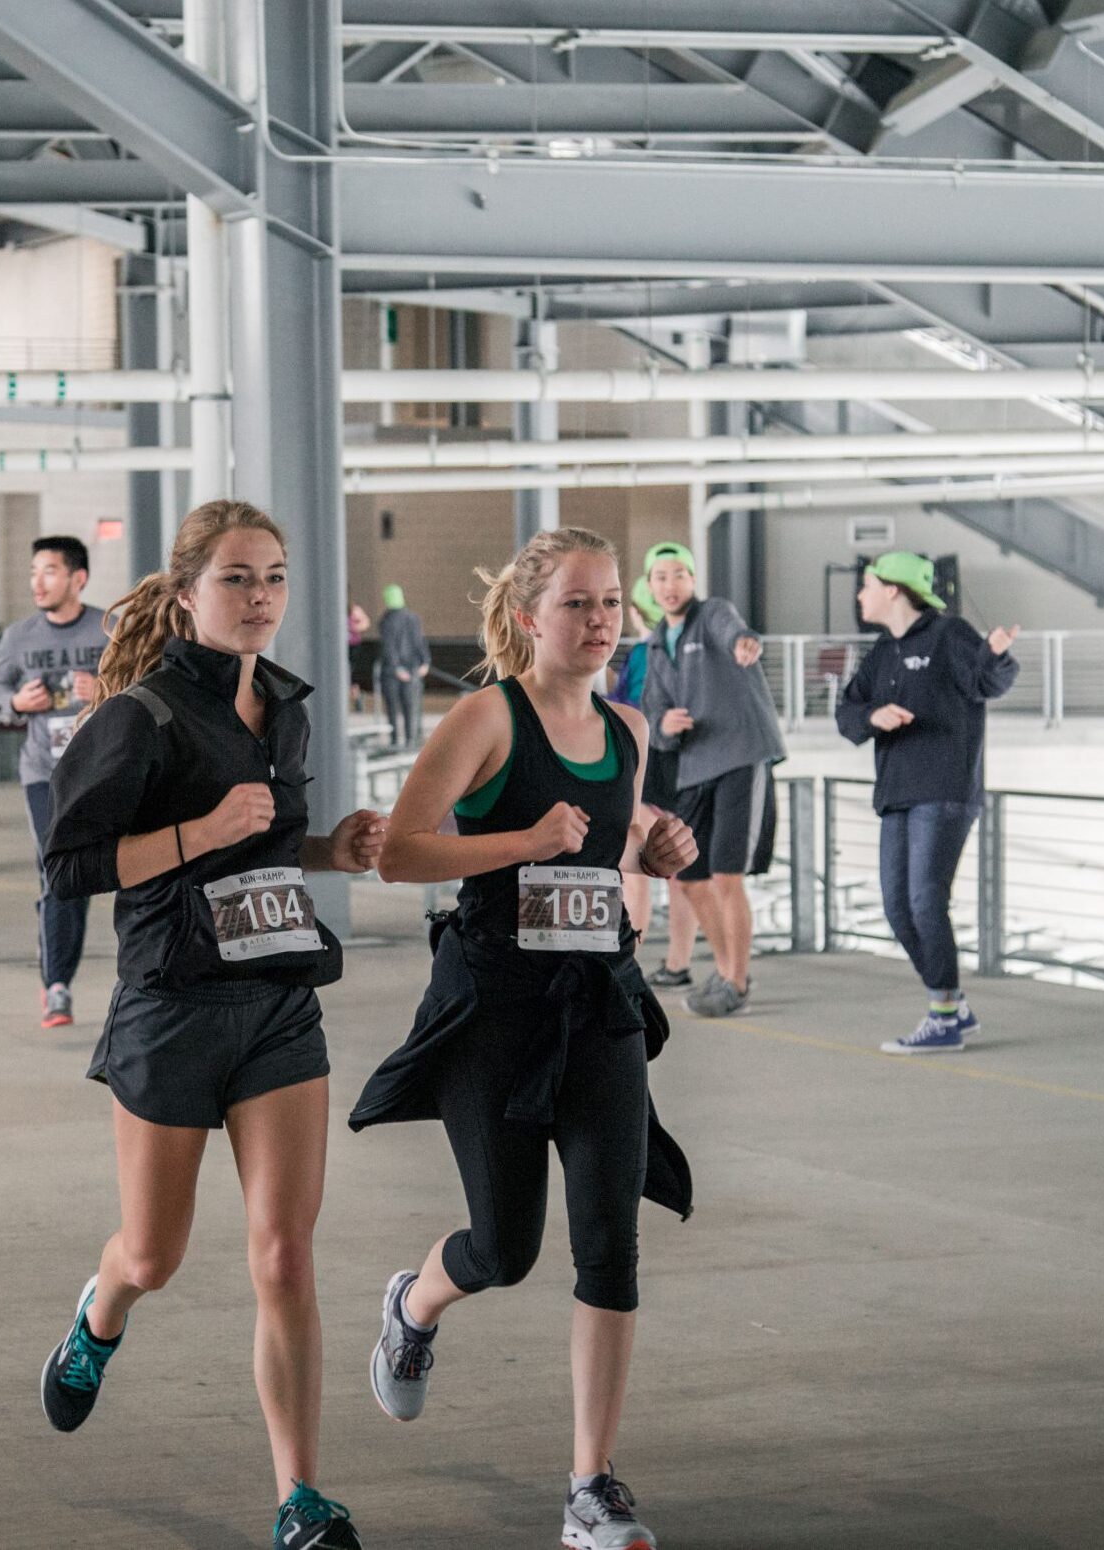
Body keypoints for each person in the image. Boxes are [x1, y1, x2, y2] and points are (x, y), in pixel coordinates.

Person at [37, 499, 387, 1550]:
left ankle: (299, 1496)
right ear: (187, 590)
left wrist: (335, 847)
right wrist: (193, 830)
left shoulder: (284, 705)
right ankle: (101, 1308)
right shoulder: (137, 716)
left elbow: (268, 847)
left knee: (283, 1256)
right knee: (156, 1252)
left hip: (277, 1001)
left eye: (274, 578)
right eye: (237, 578)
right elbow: (68, 866)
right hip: (171, 1005)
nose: (259, 598)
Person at [352, 526, 698, 1550]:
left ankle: (592, 1483)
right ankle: (414, 1305)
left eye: (609, 605)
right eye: (577, 605)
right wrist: (521, 840)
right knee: (505, 1246)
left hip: (598, 1001)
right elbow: (401, 855)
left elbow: (612, 834)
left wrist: (656, 840)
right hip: (494, 1003)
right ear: (526, 618)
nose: (599, 624)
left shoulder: (628, 727)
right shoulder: (484, 718)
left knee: (610, 1242)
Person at [835, 551, 1020, 1053]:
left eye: (867, 585)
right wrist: (874, 716)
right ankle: (952, 1004)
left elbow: (988, 680)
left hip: (943, 791)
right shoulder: (882, 651)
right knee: (897, 907)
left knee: (924, 899)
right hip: (896, 793)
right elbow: (847, 711)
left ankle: (943, 1014)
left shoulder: (950, 634)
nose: (860, 595)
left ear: (893, 589)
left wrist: (997, 655)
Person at [639, 541, 784, 1018]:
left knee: (726, 875)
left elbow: (733, 631)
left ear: (693, 580)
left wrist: (745, 641)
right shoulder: (658, 643)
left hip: (741, 756)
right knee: (690, 876)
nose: (669, 584)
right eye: (660, 576)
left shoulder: (715, 614)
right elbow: (653, 711)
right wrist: (664, 726)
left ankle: (736, 982)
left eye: (679, 574)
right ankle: (725, 973)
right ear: (650, 585)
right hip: (694, 767)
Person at [0, 536, 109, 1029]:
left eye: (50, 571)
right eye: (34, 571)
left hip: (103, 773)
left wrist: (105, 688)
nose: (38, 581)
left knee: (110, 874)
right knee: (59, 872)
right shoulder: (19, 637)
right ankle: (56, 986)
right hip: (45, 774)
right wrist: (18, 703)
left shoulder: (111, 629)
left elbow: (150, 685)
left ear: (78, 579)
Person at [609, 577, 698, 980]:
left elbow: (629, 708)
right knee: (679, 873)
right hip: (688, 770)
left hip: (650, 773)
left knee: (638, 871)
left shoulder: (646, 653)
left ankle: (628, 961)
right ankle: (678, 961)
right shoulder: (689, 653)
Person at [374, 583, 430, 748]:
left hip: (392, 672)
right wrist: (425, 661)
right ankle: (410, 739)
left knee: (392, 707)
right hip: (413, 668)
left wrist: (396, 668)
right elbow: (420, 641)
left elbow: (388, 647)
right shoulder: (412, 618)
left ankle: (394, 740)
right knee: (410, 706)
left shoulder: (385, 621)